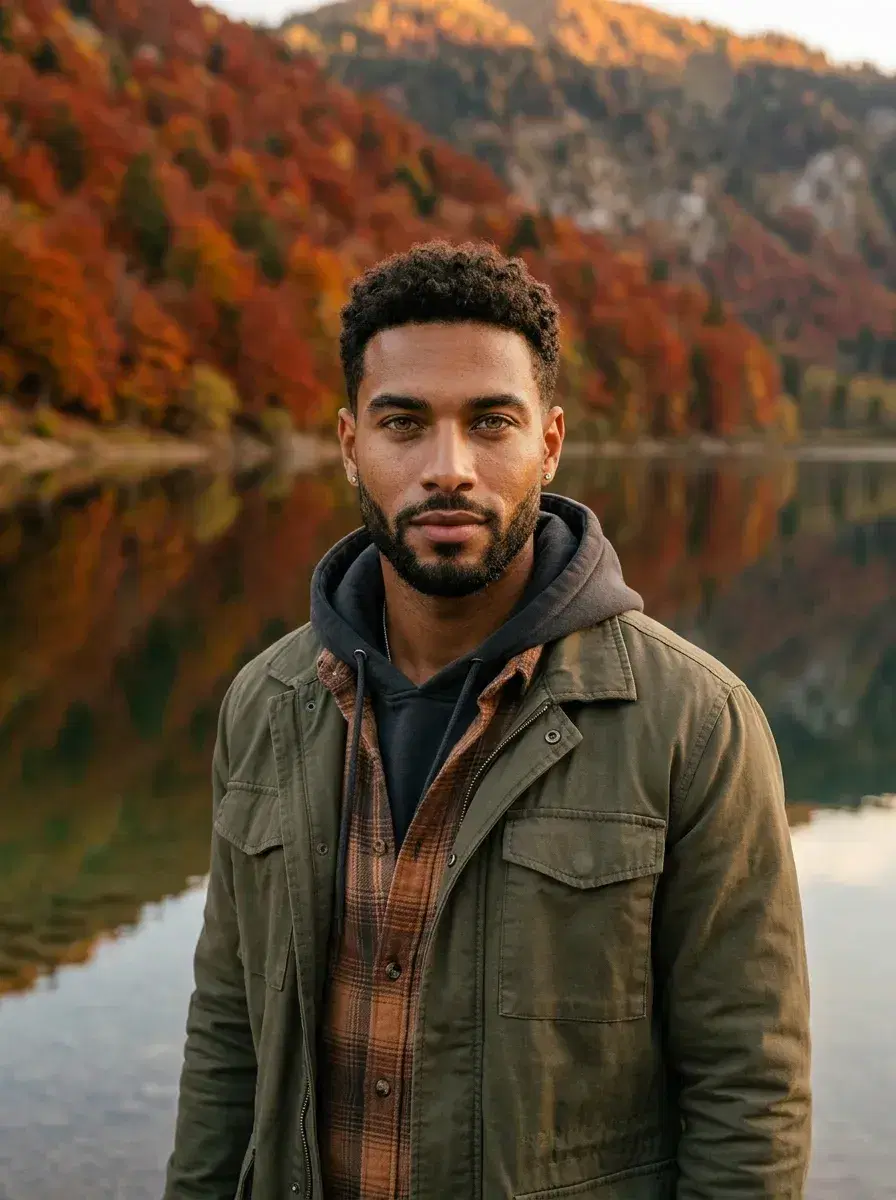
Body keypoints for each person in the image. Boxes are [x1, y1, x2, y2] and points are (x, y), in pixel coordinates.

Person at [164, 240, 811, 1200]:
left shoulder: (695, 724)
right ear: (351, 443)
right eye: (404, 423)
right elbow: (228, 1034)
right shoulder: (265, 705)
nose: (449, 468)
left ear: (548, 441)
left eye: (490, 422)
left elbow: (749, 1092)